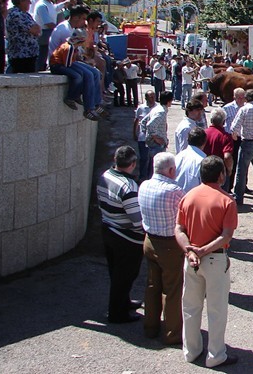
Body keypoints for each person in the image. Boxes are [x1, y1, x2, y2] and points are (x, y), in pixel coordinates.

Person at [175, 155, 239, 368]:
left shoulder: (188, 197)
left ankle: (191, 350)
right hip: (215, 260)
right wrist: (203, 250)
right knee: (217, 309)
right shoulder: (227, 201)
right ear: (221, 175)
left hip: (191, 260)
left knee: (190, 307)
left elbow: (179, 229)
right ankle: (215, 355)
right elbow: (226, 235)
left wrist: (190, 251)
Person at [137, 152, 185, 344]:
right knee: (172, 289)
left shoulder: (144, 185)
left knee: (152, 285)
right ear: (171, 170)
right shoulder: (174, 190)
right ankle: (172, 333)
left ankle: (150, 326)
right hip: (169, 244)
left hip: (149, 241)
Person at [96, 146, 144, 323]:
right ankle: (117, 313)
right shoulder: (129, 187)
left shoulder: (104, 176)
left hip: (108, 229)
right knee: (125, 276)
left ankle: (124, 302)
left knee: (116, 272)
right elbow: (137, 221)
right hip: (126, 238)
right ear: (132, 164)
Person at [4, 0, 40, 73]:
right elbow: (35, 30)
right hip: (21, 57)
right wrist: (35, 29)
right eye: (28, 0)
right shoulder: (16, 14)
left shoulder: (25, 14)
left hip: (29, 55)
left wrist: (36, 29)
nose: (30, 3)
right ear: (21, 1)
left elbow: (38, 29)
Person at [203, 108, 235, 193]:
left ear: (211, 120)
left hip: (204, 169)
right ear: (224, 122)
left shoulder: (203, 133)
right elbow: (227, 156)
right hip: (219, 171)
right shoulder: (226, 137)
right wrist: (229, 169)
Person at [142, 91, 174, 174]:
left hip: (154, 143)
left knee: (152, 166)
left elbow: (143, 121)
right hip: (156, 144)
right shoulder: (161, 112)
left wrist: (146, 135)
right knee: (156, 168)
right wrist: (156, 138)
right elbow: (150, 125)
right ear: (168, 101)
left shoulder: (157, 108)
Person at [222, 87, 246, 195]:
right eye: (239, 98)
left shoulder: (246, 108)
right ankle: (229, 187)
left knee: (243, 162)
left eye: (243, 98)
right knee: (232, 162)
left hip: (243, 137)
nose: (241, 100)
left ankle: (243, 185)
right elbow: (221, 123)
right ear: (234, 97)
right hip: (231, 138)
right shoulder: (227, 108)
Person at [175, 127, 207, 193]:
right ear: (204, 142)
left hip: (176, 198)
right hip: (193, 200)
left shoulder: (177, 157)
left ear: (187, 140)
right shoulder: (202, 162)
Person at [135, 90, 156, 180]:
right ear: (146, 98)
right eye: (150, 97)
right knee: (143, 158)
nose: (153, 99)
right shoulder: (141, 108)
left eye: (154, 96)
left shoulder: (158, 107)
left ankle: (150, 176)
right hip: (143, 137)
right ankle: (142, 177)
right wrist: (134, 133)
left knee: (152, 159)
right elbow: (136, 121)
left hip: (154, 138)